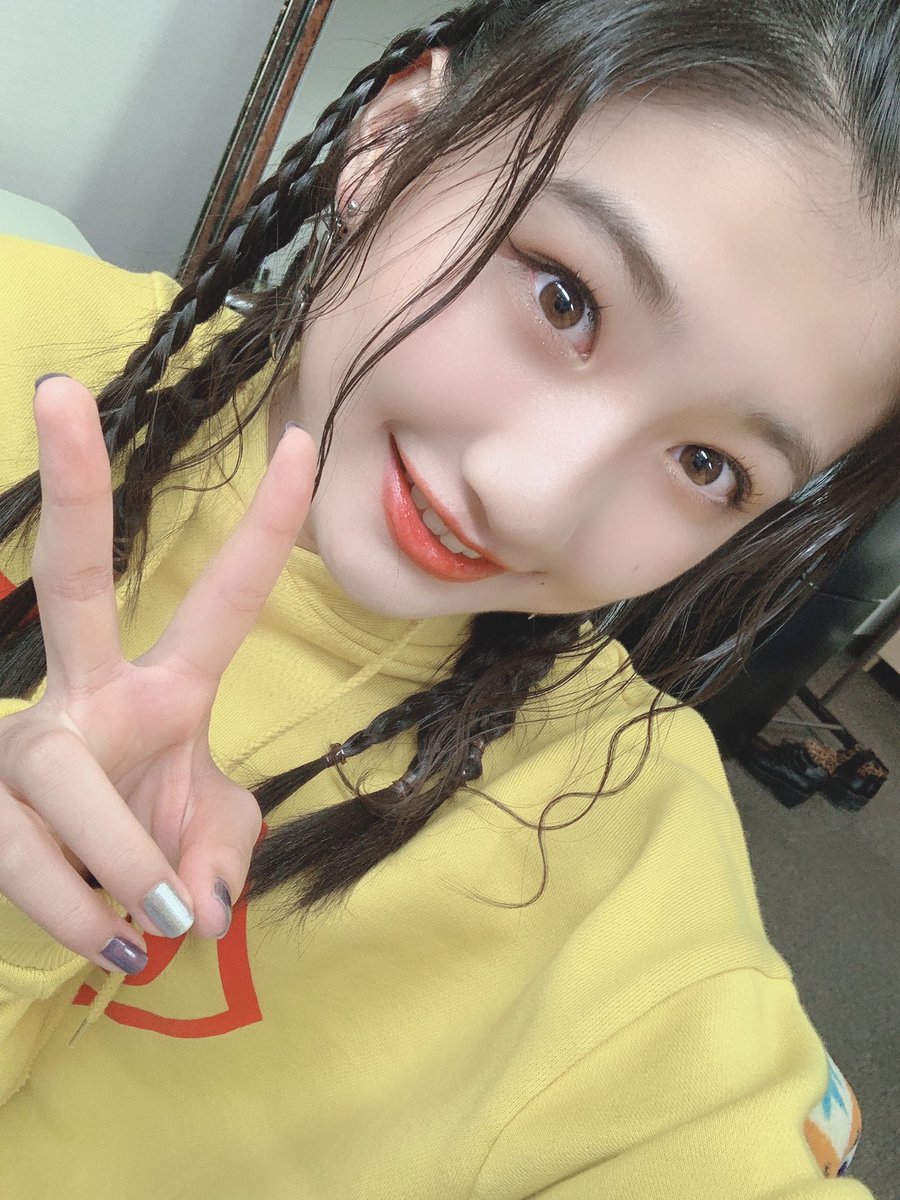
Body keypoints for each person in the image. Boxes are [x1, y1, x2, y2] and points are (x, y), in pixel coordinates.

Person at [0, 0, 895, 1195]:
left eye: (707, 466)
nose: (531, 501)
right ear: (393, 136)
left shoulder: (612, 837)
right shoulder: (20, 326)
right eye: (565, 297)